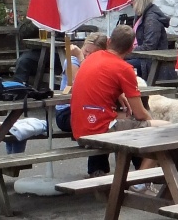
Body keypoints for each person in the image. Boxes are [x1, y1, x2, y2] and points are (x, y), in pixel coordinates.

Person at [71, 24, 168, 191]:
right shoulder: (124, 68)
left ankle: (136, 177)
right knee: (165, 130)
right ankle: (140, 182)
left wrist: (118, 94)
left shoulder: (92, 57)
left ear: (109, 41)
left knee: (129, 120)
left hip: (79, 128)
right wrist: (150, 122)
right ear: (131, 49)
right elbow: (140, 113)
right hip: (99, 131)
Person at [51, 33, 108, 174]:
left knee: (109, 122)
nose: (87, 55)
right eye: (85, 51)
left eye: (92, 54)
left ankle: (137, 171)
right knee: (97, 124)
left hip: (90, 109)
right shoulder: (72, 60)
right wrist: (81, 57)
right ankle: (97, 171)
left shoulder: (102, 63)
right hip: (67, 111)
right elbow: (82, 83)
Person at [124, 0, 170, 80]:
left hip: (150, 60)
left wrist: (127, 53)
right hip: (140, 56)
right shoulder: (141, 15)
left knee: (118, 66)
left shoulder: (152, 19)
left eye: (133, 0)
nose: (131, 3)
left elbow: (149, 47)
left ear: (140, 0)